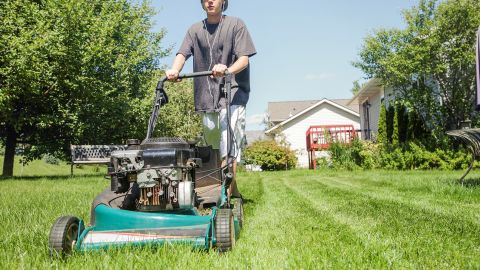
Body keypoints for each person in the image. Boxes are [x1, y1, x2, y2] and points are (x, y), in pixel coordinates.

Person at [166, 0, 256, 198]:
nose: (210, 1)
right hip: (206, 96)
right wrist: (175, 70)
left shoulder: (235, 24)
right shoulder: (195, 29)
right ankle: (234, 190)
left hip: (233, 93)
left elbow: (244, 59)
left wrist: (227, 70)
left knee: (228, 144)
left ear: (223, 1)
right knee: (214, 147)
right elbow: (182, 53)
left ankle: (224, 196)